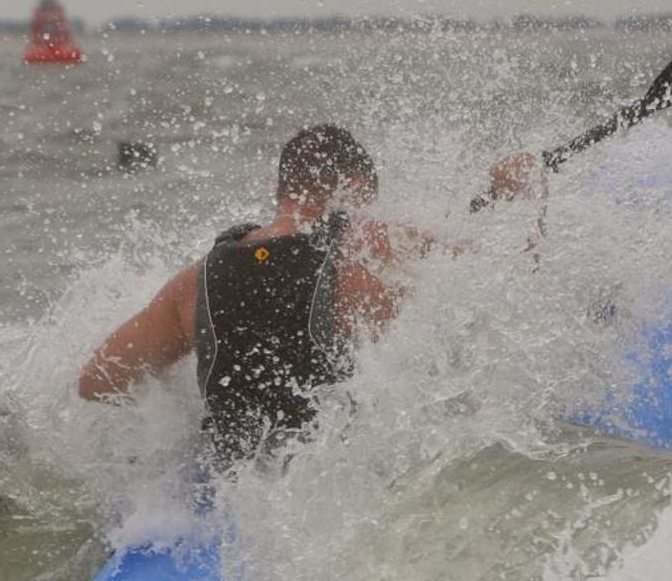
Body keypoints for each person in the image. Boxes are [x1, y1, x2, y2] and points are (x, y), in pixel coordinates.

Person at [78, 124, 536, 466]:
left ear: (282, 192)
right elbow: (509, 280)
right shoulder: (369, 244)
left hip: (228, 480)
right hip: (324, 486)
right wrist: (526, 195)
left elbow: (98, 382)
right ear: (353, 189)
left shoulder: (195, 280)